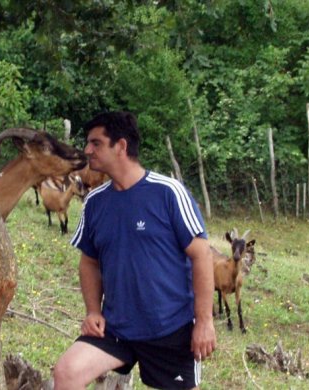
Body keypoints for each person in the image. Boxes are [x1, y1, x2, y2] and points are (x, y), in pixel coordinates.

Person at [53, 111, 216, 390]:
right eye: (88, 143)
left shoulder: (168, 192)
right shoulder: (94, 203)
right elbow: (89, 262)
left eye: (96, 143)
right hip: (116, 328)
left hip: (170, 329)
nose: (87, 150)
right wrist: (93, 311)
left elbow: (202, 255)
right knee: (66, 372)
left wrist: (204, 322)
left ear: (121, 146)